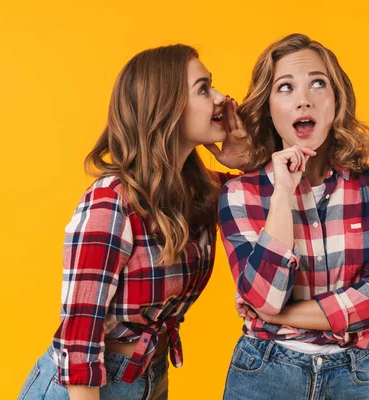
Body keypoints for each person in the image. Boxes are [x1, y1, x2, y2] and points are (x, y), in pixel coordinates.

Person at [18, 44, 248, 400]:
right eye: (203, 88)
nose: (222, 98)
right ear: (165, 107)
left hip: (149, 377)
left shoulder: (203, 191)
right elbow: (79, 337)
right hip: (87, 388)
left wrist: (244, 160)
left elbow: (268, 197)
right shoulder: (111, 202)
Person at [219, 33, 369, 399]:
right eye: (286, 87)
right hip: (264, 372)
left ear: (336, 100)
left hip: (353, 375)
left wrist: (276, 318)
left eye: (318, 84)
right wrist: (282, 192)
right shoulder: (240, 193)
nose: (303, 100)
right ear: (268, 107)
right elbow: (265, 297)